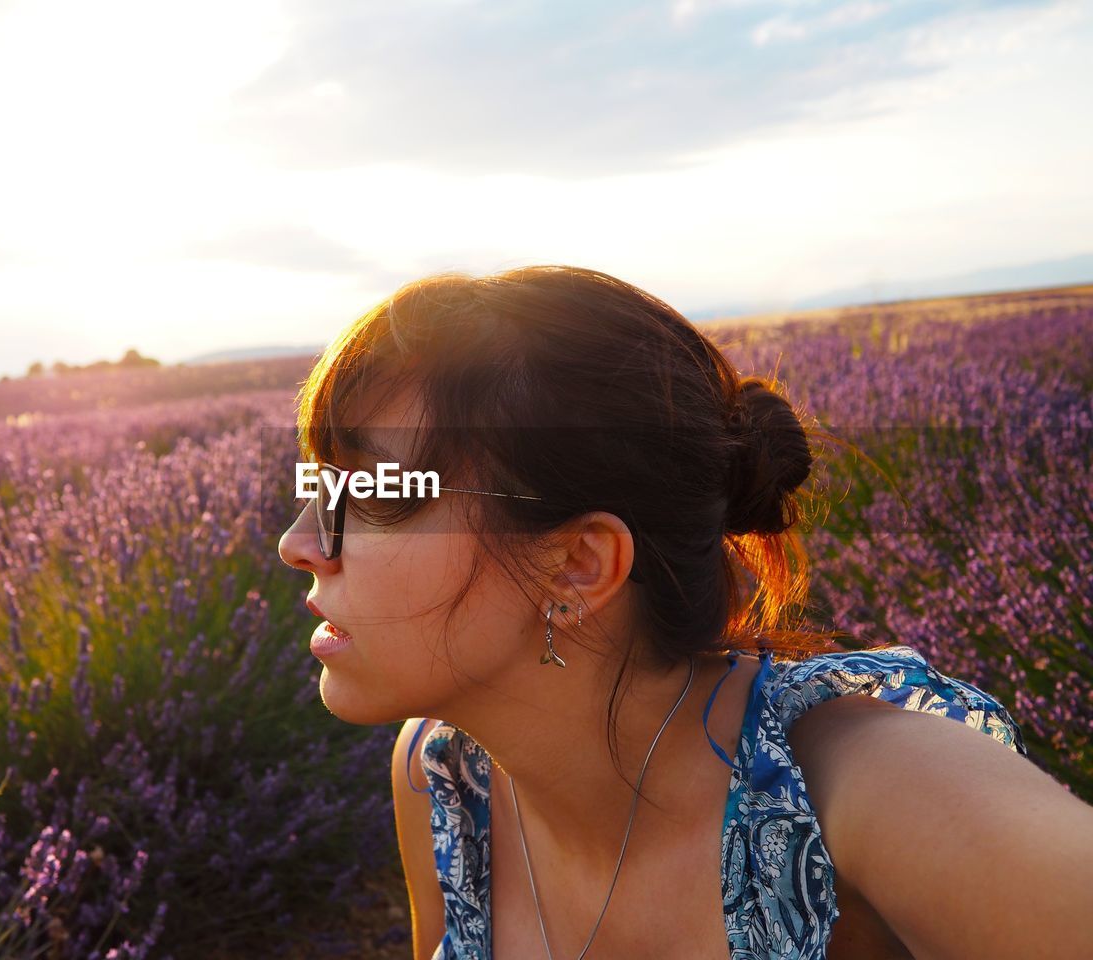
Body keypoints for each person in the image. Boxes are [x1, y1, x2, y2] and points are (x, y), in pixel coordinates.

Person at [276, 265, 1093, 960]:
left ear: (578, 564)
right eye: (316, 486)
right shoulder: (441, 780)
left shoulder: (861, 786)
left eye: (372, 493)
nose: (298, 543)